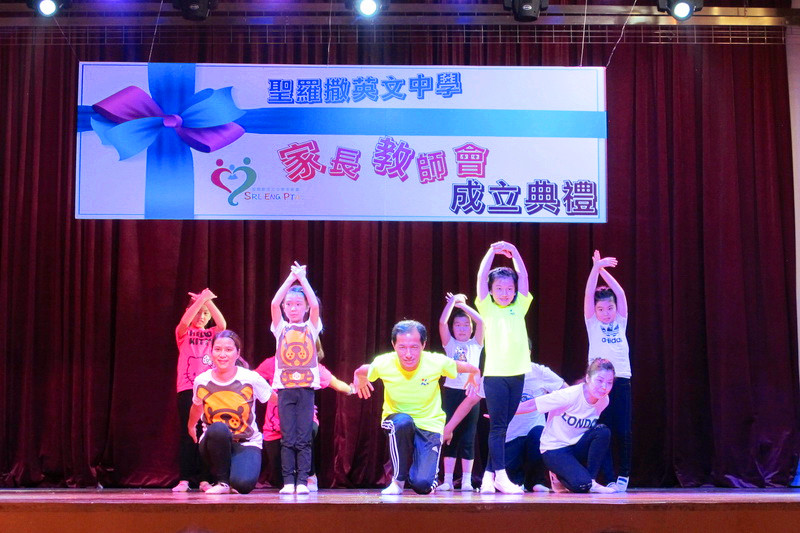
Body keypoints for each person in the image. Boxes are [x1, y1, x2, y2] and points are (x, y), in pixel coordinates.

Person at [353, 320, 480, 495]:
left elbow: (467, 367)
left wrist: (475, 374)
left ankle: (423, 472)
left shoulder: (436, 361)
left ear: (423, 345)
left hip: (429, 424)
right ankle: (397, 481)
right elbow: (362, 369)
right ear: (394, 346)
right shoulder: (384, 362)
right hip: (397, 420)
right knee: (403, 422)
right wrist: (359, 377)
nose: (408, 354)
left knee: (422, 485)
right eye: (402, 347)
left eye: (414, 347)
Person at [443, 361, 566, 492]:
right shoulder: (495, 374)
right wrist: (448, 428)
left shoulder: (539, 372)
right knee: (511, 479)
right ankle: (515, 481)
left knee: (538, 433)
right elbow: (469, 402)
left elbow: (567, 392)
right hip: (509, 438)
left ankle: (536, 481)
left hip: (534, 434)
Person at [474, 241, 532, 494]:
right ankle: (501, 476)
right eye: (499, 288)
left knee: (502, 428)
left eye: (509, 288)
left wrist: (515, 252)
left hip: (517, 374)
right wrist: (491, 252)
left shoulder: (520, 307)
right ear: (491, 290)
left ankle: (489, 476)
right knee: (498, 428)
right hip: (495, 376)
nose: (505, 292)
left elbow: (524, 276)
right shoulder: (486, 307)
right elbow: (481, 276)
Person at [188, 330, 275, 494]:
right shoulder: (202, 380)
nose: (222, 355)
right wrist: (191, 425)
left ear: (237, 353)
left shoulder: (251, 378)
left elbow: (274, 398)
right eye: (217, 349)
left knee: (242, 485)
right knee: (219, 428)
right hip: (214, 441)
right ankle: (222, 483)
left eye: (228, 350)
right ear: (211, 352)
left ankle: (233, 478)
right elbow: (197, 405)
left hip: (246, 441)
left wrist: (298, 406)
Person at [255, 348, 354, 492]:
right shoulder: (273, 364)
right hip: (275, 428)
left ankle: (309, 475)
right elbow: (252, 379)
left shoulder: (313, 368)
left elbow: (339, 385)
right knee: (281, 480)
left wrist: (353, 388)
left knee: (306, 432)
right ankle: (291, 479)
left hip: (304, 421)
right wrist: (272, 397)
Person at [522, 358, 617, 494]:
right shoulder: (569, 395)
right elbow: (533, 404)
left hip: (576, 446)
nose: (604, 387)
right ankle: (559, 474)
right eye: (600, 380)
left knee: (603, 432)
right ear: (588, 378)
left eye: (609, 383)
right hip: (554, 448)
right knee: (582, 486)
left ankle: (592, 481)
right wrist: (502, 413)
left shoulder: (604, 400)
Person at [270, 261, 322, 494]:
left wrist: (303, 279)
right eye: (289, 304)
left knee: (304, 438)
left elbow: (315, 303)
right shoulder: (280, 328)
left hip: (306, 389)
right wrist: (291, 279)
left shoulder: (311, 327)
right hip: (285, 390)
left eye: (298, 304)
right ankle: (288, 481)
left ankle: (302, 481)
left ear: (306, 308)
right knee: (287, 438)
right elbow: (273, 303)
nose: (293, 308)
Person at [584, 250, 631, 492]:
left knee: (623, 430)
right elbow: (588, 293)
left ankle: (624, 474)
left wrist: (603, 270)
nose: (606, 313)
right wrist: (595, 269)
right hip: (598, 384)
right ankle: (609, 478)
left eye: (609, 308)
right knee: (602, 430)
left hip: (620, 379)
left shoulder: (620, 321)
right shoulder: (592, 323)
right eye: (601, 309)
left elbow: (620, 293)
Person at [173, 288, 226, 492]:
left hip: (209, 390)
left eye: (205, 313)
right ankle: (184, 479)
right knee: (188, 433)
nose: (202, 316)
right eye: (198, 312)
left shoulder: (212, 334)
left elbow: (222, 325)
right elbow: (184, 322)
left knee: (206, 433)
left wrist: (207, 300)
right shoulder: (184, 333)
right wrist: (200, 301)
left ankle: (204, 479)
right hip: (187, 388)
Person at [437, 292, 484, 492]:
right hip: (451, 392)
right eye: (457, 325)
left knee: (468, 436)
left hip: (471, 394)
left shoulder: (476, 344)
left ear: (471, 329)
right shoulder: (450, 344)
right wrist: (452, 303)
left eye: (466, 325)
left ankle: (466, 480)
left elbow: (481, 321)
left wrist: (462, 305)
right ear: (453, 328)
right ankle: (447, 480)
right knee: (450, 434)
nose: (462, 329)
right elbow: (442, 322)